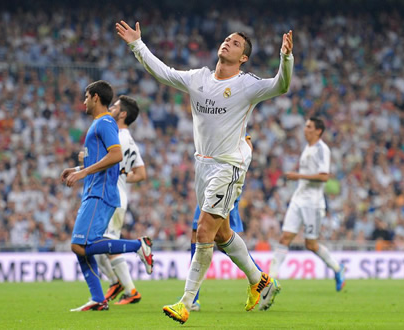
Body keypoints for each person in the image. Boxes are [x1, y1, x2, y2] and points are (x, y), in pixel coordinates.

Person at [116, 20, 293, 324]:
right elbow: (163, 72)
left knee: (204, 231)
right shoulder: (199, 78)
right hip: (203, 164)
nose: (227, 43)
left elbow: (281, 85)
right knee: (223, 234)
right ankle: (261, 281)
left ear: (243, 58)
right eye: (227, 39)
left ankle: (185, 303)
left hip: (229, 165)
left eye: (236, 43)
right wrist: (137, 45)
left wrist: (285, 59)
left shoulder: (247, 84)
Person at [60, 81, 153, 312]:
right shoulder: (100, 124)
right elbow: (109, 160)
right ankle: (98, 299)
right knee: (79, 246)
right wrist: (76, 168)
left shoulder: (106, 122)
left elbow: (116, 155)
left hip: (101, 193)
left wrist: (82, 172)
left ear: (95, 97)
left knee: (81, 245)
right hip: (94, 190)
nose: (83, 101)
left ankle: (138, 246)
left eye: (86, 96)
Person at [189, 134, 280, 312]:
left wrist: (234, 176)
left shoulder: (234, 121)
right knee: (213, 238)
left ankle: (193, 299)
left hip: (223, 183)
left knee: (210, 236)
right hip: (213, 182)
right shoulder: (219, 120)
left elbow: (247, 146)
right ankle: (264, 283)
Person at [268, 117, 345, 291]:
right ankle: (269, 282)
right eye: (305, 126)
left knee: (311, 244)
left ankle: (337, 268)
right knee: (284, 238)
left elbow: (324, 176)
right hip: (298, 199)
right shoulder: (308, 148)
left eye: (309, 127)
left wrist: (298, 176)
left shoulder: (322, 149)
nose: (305, 129)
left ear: (318, 130)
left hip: (313, 203)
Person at [91, 95, 147, 305]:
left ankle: (130, 289)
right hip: (115, 195)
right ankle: (117, 283)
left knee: (107, 244)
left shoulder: (118, 138)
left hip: (111, 197)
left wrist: (84, 163)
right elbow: (140, 173)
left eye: (114, 106)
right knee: (94, 244)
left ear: (122, 114)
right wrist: (124, 177)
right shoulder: (129, 140)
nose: (111, 108)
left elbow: (104, 162)